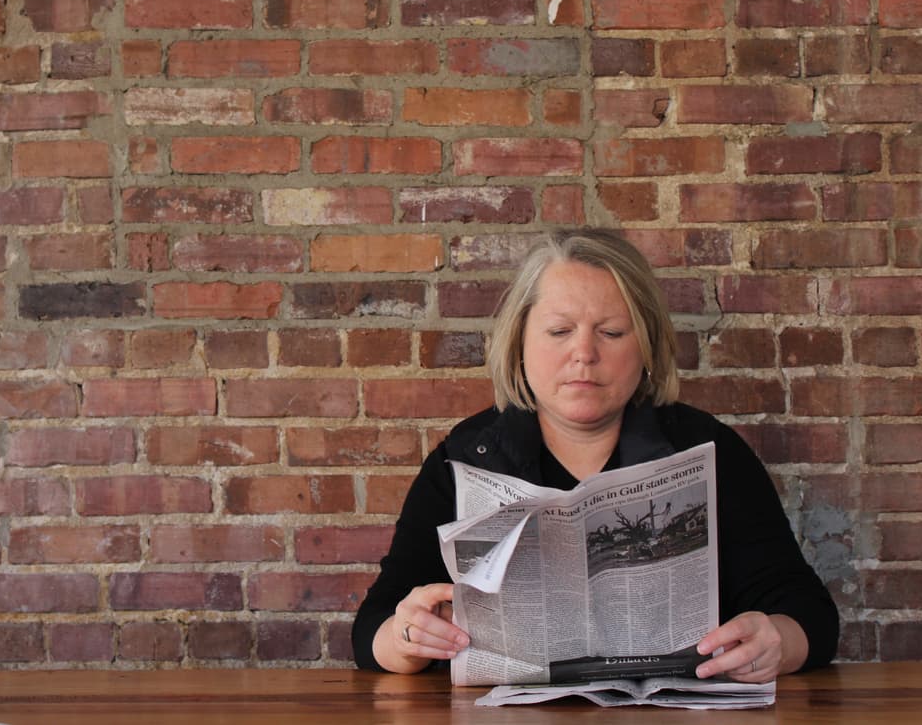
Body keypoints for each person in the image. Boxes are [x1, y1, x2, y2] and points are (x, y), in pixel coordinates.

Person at [352, 227, 839, 680]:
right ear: (520, 341)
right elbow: (372, 627)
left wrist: (777, 642)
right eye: (560, 331)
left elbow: (808, 612)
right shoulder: (467, 456)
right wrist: (406, 637)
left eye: (611, 332)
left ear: (646, 347)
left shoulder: (706, 449)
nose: (584, 353)